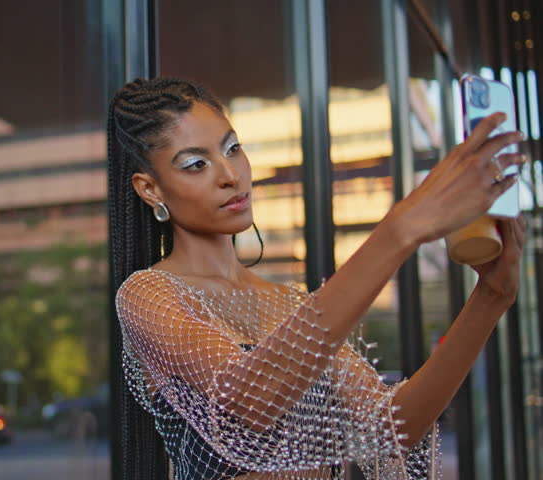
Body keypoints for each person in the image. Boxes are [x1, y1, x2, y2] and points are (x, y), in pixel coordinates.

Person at [107, 77, 526, 480]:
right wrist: (402, 229)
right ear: (151, 189)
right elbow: (251, 401)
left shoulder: (291, 302)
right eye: (196, 164)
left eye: (232, 149)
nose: (230, 174)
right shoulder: (149, 295)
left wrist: (492, 296)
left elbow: (392, 431)